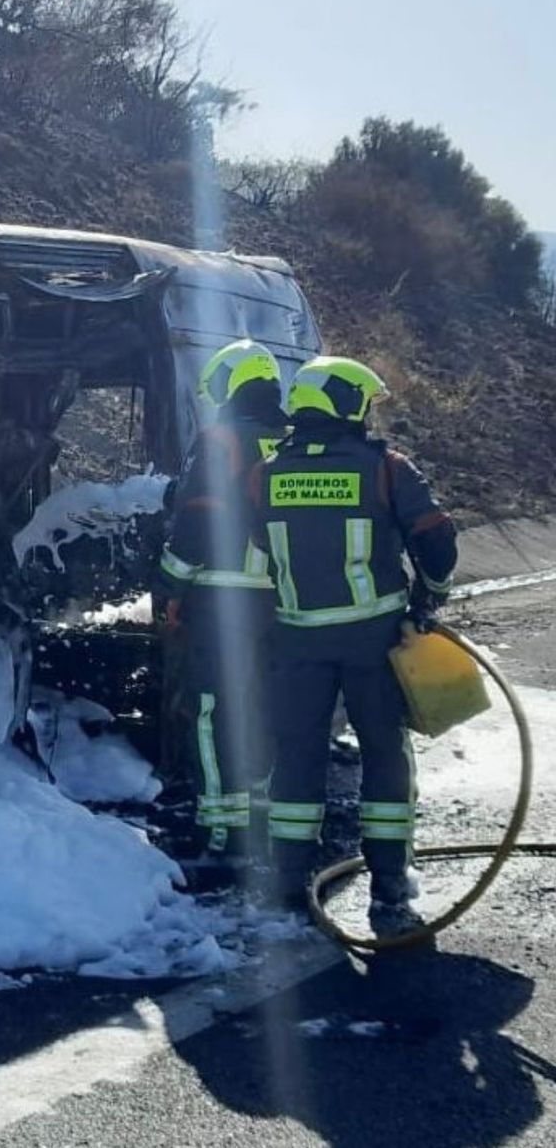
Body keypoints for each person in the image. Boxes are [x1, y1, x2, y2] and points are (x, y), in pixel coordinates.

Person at [249, 355, 457, 936]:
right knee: (383, 755)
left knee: (296, 757)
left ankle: (288, 885)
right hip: (374, 642)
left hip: (297, 642)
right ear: (347, 404)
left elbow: (258, 544)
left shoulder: (266, 474)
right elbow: (437, 540)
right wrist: (428, 600)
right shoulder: (386, 468)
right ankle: (390, 890)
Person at [157, 339, 289, 886]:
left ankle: (223, 838)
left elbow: (194, 523)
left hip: (221, 601)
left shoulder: (220, 441)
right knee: (265, 713)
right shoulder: (297, 440)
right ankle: (264, 829)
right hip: (284, 605)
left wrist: (168, 588)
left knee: (212, 715)